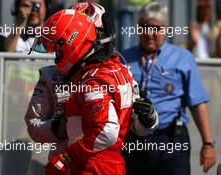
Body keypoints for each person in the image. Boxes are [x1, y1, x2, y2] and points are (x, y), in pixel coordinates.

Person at [26, 3, 158, 175]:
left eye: (94, 30)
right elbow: (33, 124)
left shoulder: (119, 72)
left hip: (93, 166)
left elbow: (128, 128)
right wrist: (57, 129)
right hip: (63, 166)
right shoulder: (51, 76)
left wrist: (148, 118)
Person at [122, 2, 217, 175]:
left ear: (166, 29)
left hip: (171, 140)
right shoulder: (123, 59)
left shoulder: (182, 58)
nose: (150, 34)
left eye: (156, 28)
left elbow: (197, 103)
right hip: (134, 140)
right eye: (144, 27)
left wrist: (208, 143)